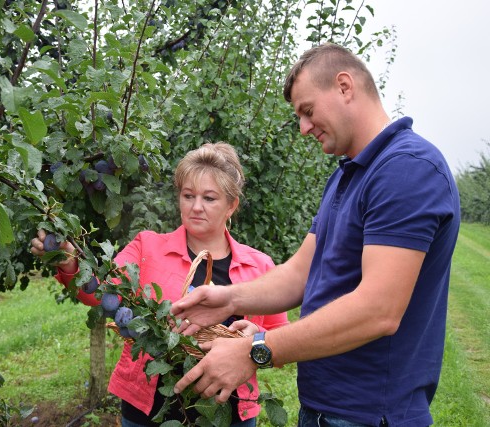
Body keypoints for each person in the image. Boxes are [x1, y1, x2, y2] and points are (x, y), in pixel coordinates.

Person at [170, 43, 461, 427]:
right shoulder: (347, 175)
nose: (304, 127)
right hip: (327, 408)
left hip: (370, 414)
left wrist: (256, 350)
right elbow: (301, 273)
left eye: (307, 111)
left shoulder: (406, 170)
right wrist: (227, 298)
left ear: (344, 86)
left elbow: (379, 311)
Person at [31, 142, 289, 427]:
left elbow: (280, 342)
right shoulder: (147, 248)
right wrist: (69, 262)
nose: (196, 207)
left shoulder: (260, 266)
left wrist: (258, 339)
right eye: (188, 195)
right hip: (147, 411)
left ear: (232, 205)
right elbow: (101, 293)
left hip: (228, 414)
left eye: (210, 198)